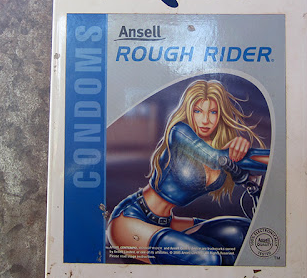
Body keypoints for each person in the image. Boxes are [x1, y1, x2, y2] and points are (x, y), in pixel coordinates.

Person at [106, 79, 269, 265]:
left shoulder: (221, 148)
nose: (205, 120)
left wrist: (270, 156)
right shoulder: (180, 132)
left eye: (213, 112)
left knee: (243, 233)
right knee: (208, 259)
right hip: (133, 218)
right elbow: (215, 158)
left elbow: (263, 160)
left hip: (169, 222)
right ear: (189, 111)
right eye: (198, 111)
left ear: (220, 115)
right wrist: (237, 152)